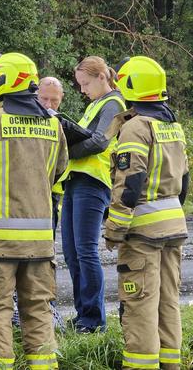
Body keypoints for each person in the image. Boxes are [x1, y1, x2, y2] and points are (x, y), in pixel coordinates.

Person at [0, 52, 68, 369]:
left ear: (3, 80)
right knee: (38, 309)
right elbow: (59, 172)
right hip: (41, 242)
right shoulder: (54, 126)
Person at [104, 56, 189, 370]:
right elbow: (185, 181)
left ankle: (140, 366)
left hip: (143, 233)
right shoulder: (172, 126)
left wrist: (115, 229)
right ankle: (170, 364)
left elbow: (130, 182)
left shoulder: (136, 127)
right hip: (174, 227)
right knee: (168, 301)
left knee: (140, 305)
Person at [59, 55, 125, 333]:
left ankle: (94, 319)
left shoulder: (114, 103)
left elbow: (99, 141)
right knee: (72, 252)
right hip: (75, 179)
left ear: (102, 77)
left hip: (93, 181)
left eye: (85, 83)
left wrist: (64, 151)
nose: (82, 90)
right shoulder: (96, 103)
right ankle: (82, 314)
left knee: (85, 251)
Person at [37, 76, 65, 234]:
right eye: (44, 99)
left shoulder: (60, 124)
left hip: (53, 190)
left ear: (61, 97)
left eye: (54, 100)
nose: (48, 105)